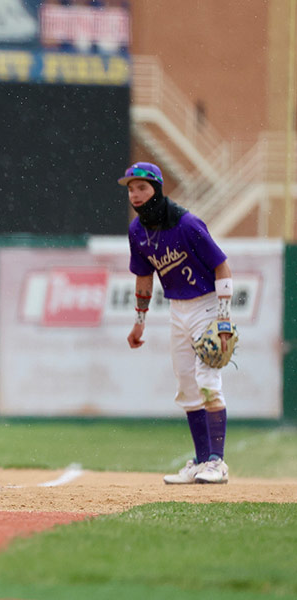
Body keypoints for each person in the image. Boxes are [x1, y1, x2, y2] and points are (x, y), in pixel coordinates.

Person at [120, 162, 233, 485]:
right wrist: (139, 321)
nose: (135, 194)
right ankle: (200, 461)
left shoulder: (187, 224)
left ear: (156, 187)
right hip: (177, 310)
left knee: (208, 379)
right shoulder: (137, 231)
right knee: (186, 384)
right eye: (130, 188)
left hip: (207, 304)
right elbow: (144, 277)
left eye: (142, 187)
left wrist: (223, 321)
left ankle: (217, 462)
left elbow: (222, 268)